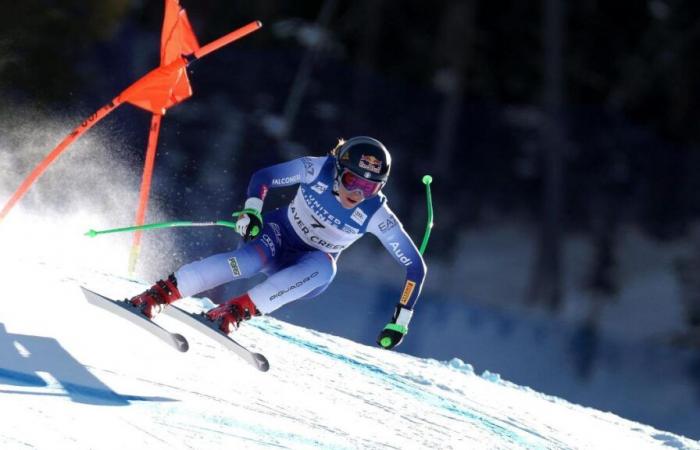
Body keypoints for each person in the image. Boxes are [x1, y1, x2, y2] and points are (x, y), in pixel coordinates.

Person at [129, 136, 427, 350]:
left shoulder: (376, 213)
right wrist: (253, 210)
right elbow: (265, 176)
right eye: (352, 181)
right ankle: (158, 295)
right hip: (277, 235)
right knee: (246, 263)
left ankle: (233, 311)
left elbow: (415, 268)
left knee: (326, 269)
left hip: (308, 264)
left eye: (370, 187)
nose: (358, 194)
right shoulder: (317, 169)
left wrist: (400, 320)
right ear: (338, 170)